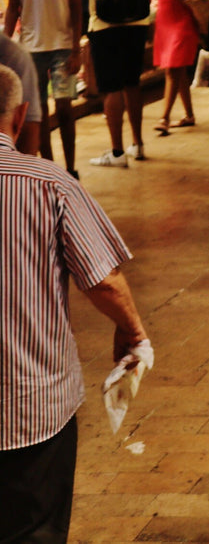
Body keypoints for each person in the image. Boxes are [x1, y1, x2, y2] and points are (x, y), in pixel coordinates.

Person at [0, 63, 148, 543]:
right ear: (19, 116)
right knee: (34, 530)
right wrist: (133, 331)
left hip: (29, 408)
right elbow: (103, 281)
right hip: (29, 408)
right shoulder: (46, 183)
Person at [4, 0, 82, 172]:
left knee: (64, 109)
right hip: (30, 50)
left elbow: (76, 7)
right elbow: (13, 7)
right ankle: (50, 167)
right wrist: (6, 44)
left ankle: (71, 168)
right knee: (39, 114)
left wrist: (76, 48)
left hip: (62, 46)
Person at [76, 0, 153, 167]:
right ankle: (138, 144)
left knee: (111, 87)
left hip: (104, 26)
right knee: (132, 83)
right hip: (137, 23)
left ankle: (117, 152)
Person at [148, 0, 201, 135]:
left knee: (171, 69)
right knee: (177, 70)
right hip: (164, 21)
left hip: (182, 21)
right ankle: (189, 115)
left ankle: (164, 117)